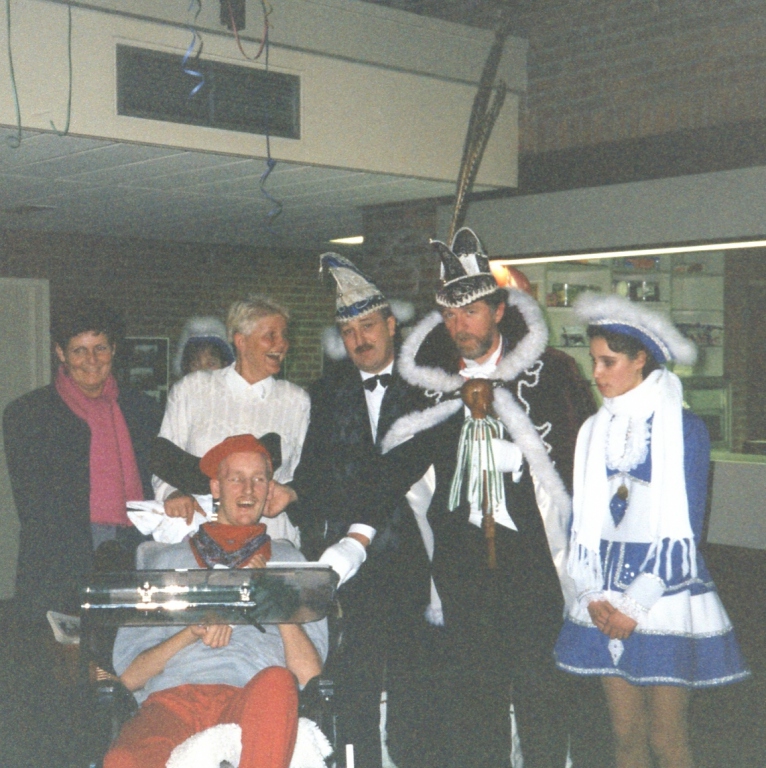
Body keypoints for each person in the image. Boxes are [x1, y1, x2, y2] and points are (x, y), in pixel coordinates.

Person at [319, 228, 596, 768]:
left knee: (541, 697)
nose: (458, 326)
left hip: (533, 564)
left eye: (470, 312)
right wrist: (355, 539)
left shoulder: (551, 376)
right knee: (475, 705)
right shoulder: (429, 386)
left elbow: (579, 466)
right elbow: (395, 468)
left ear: (498, 311)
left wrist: (520, 458)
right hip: (461, 566)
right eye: (449, 315)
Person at [554, 293, 750, 768]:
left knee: (667, 738)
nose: (597, 373)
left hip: (663, 590)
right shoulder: (592, 430)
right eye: (594, 361)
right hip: (603, 591)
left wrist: (636, 603)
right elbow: (581, 523)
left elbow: (687, 527)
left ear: (641, 359)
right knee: (625, 736)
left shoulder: (684, 429)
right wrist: (591, 592)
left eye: (609, 361)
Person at [287, 253, 438, 768]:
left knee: (414, 690)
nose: (359, 339)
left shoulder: (426, 386)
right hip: (351, 570)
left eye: (368, 326)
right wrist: (293, 496)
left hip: (416, 560)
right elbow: (314, 472)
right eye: (348, 331)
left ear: (391, 325)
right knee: (354, 688)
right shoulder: (328, 392)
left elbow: (406, 468)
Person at [104, 434, 328, 768]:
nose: (248, 490)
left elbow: (310, 677)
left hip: (250, 698)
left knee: (278, 682)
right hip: (172, 701)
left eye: (259, 479)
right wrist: (191, 632)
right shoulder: (166, 561)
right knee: (123, 760)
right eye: (236, 479)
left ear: (270, 489)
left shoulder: (293, 564)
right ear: (216, 487)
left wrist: (275, 601)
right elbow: (130, 678)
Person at [2, 298, 161, 767]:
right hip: (64, 558)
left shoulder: (143, 410)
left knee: (128, 660)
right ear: (60, 353)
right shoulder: (28, 413)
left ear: (114, 350)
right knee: (67, 673)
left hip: (134, 546)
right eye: (79, 350)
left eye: (101, 348)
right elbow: (34, 505)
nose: (92, 360)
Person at [152, 296, 309, 545]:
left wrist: (290, 493)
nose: (281, 344)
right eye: (270, 335)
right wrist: (173, 493)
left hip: (271, 538)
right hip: (199, 534)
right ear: (241, 341)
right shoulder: (192, 389)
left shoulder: (296, 401)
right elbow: (163, 457)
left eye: (284, 336)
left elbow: (306, 474)